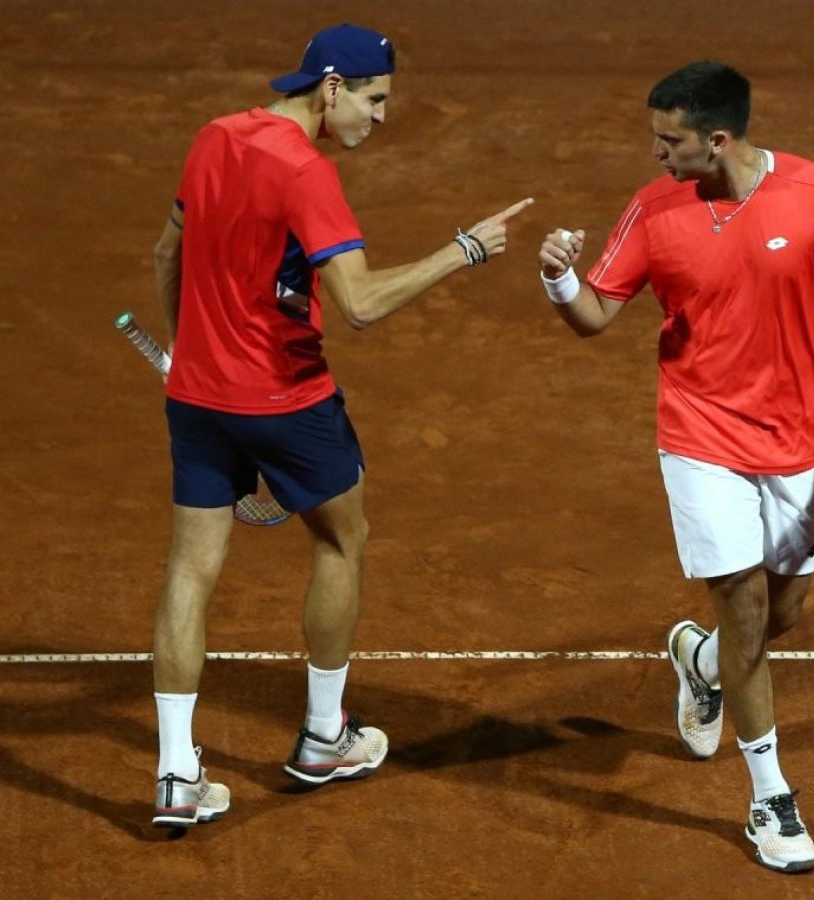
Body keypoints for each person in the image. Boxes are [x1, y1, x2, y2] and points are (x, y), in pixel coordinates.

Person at [535, 61, 814, 872]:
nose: (656, 152)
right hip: (699, 433)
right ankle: (770, 799)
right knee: (745, 609)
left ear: (717, 140)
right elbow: (595, 317)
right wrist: (558, 277)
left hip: (797, 441)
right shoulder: (652, 209)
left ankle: (698, 660)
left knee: (781, 616)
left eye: (669, 140)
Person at [147, 22, 532, 828]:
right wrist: (462, 250)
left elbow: (165, 255)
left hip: (198, 399)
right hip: (287, 402)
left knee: (191, 569)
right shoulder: (304, 170)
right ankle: (325, 736)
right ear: (331, 88)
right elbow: (358, 305)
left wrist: (187, 348)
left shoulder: (213, 137)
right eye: (375, 99)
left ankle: (177, 775)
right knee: (340, 539)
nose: (381, 118)